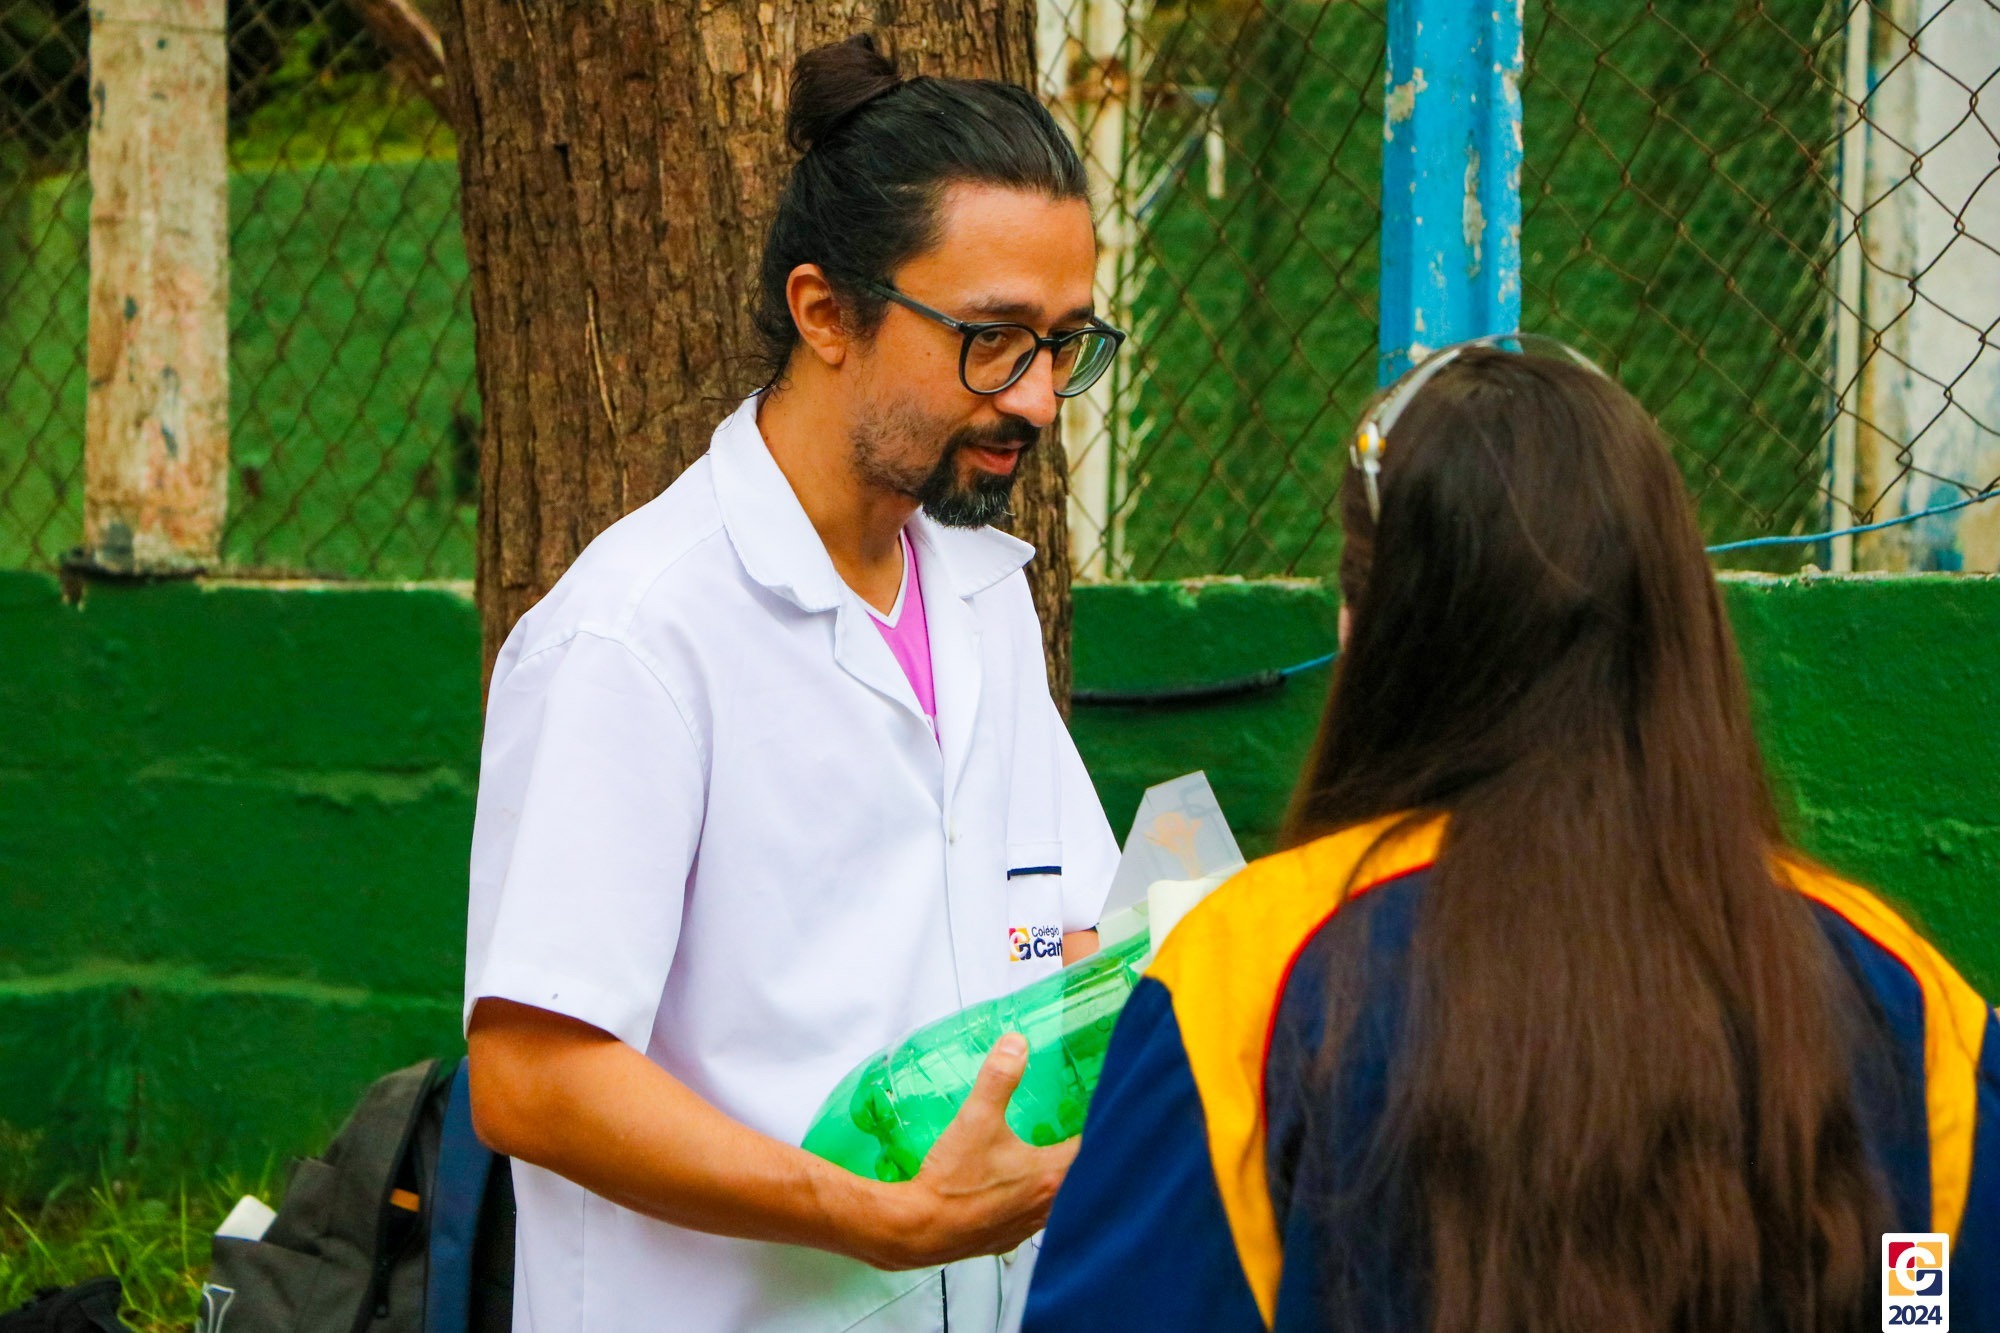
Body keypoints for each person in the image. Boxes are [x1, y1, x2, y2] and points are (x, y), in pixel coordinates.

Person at [1023, 337, 2000, 1332]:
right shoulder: (1909, 1003)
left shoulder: (1245, 980)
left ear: (1366, 624)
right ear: (1677, 616)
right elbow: (1929, 1297)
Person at [461, 35, 1125, 1332]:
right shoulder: (636, 637)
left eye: (1064, 345)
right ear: (825, 313)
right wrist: (861, 1214)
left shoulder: (979, 597)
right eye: (993, 341)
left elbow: (1064, 936)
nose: (1040, 400)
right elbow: (532, 1074)